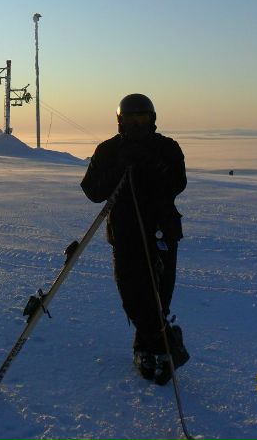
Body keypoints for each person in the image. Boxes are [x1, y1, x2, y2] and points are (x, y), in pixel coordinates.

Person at [81, 94, 188, 384]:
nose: (138, 124)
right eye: (131, 119)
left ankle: (152, 348)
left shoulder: (166, 147)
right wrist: (119, 167)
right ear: (120, 121)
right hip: (125, 234)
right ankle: (160, 343)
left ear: (153, 119)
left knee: (159, 294)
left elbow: (177, 184)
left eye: (144, 118)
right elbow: (92, 191)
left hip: (162, 231)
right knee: (133, 297)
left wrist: (151, 164)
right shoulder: (108, 150)